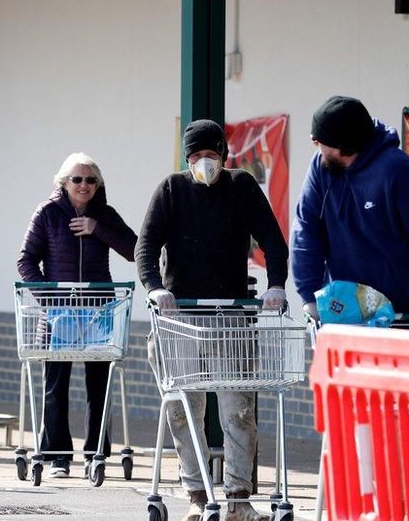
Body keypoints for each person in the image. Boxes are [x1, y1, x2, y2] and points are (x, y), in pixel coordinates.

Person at [136, 120, 288, 521]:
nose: (204, 162)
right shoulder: (172, 190)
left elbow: (272, 239)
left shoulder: (242, 187)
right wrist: (155, 288)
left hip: (230, 314)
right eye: (196, 156)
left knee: (237, 408)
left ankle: (238, 498)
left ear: (224, 154)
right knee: (184, 408)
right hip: (180, 316)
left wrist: (276, 285)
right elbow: (146, 244)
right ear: (186, 158)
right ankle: (197, 494)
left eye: (211, 154)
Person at [16, 152, 137, 478]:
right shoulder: (48, 213)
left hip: (98, 310)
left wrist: (98, 229)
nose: (84, 185)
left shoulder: (106, 215)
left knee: (99, 386)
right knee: (56, 385)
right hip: (59, 314)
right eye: (77, 179)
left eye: (90, 180)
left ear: (98, 185)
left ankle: (95, 454)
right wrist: (50, 298)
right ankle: (58, 457)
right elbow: (26, 262)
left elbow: (134, 249)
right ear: (63, 182)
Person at [292, 96, 409, 328]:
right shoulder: (322, 167)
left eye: (317, 141)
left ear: (341, 150)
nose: (316, 146)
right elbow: (306, 228)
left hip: (404, 319)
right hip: (347, 314)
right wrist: (310, 296)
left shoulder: (402, 175)